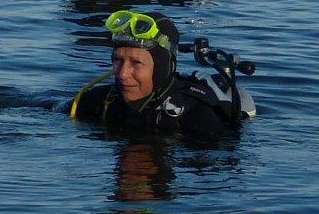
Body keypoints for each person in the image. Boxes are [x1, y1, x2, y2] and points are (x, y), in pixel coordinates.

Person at [68, 9, 246, 141]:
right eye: (118, 60)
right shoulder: (98, 102)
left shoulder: (197, 118)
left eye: (136, 63)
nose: (123, 74)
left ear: (162, 67)